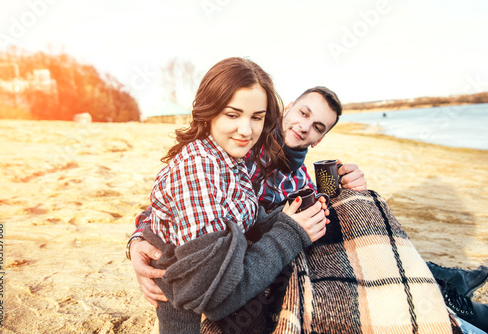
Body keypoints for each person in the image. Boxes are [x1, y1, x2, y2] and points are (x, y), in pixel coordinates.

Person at [129, 85, 487, 333]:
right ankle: (446, 291)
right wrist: (135, 241)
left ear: (320, 139)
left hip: (269, 248)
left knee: (357, 205)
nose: (304, 127)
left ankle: (442, 285)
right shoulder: (243, 141)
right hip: (246, 265)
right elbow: (179, 200)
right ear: (286, 108)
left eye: (317, 126)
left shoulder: (300, 173)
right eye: (303, 113)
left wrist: (348, 186)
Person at [138, 57, 331, 333]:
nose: (246, 130)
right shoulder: (200, 166)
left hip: (231, 290)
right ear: (210, 110)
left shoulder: (232, 158)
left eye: (256, 117)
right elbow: (217, 296)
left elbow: (244, 220)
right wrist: (289, 233)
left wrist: (287, 217)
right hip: (193, 318)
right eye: (232, 114)